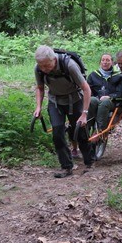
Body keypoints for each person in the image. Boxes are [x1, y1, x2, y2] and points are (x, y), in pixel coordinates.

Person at [34, 45, 93, 178]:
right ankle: (66, 167)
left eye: (47, 66)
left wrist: (84, 113)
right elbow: (40, 88)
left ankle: (89, 162)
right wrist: (38, 106)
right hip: (55, 102)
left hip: (75, 100)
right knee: (57, 134)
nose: (44, 69)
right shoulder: (38, 69)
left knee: (80, 131)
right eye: (41, 66)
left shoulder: (69, 65)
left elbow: (86, 88)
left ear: (54, 59)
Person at [87, 53, 122, 135]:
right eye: (103, 60)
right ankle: (86, 127)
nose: (105, 62)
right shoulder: (93, 75)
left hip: (114, 103)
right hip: (97, 100)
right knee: (91, 100)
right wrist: (96, 97)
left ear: (112, 62)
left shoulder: (120, 76)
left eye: (108, 60)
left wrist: (109, 97)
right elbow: (88, 91)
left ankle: (99, 131)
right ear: (100, 62)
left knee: (104, 103)